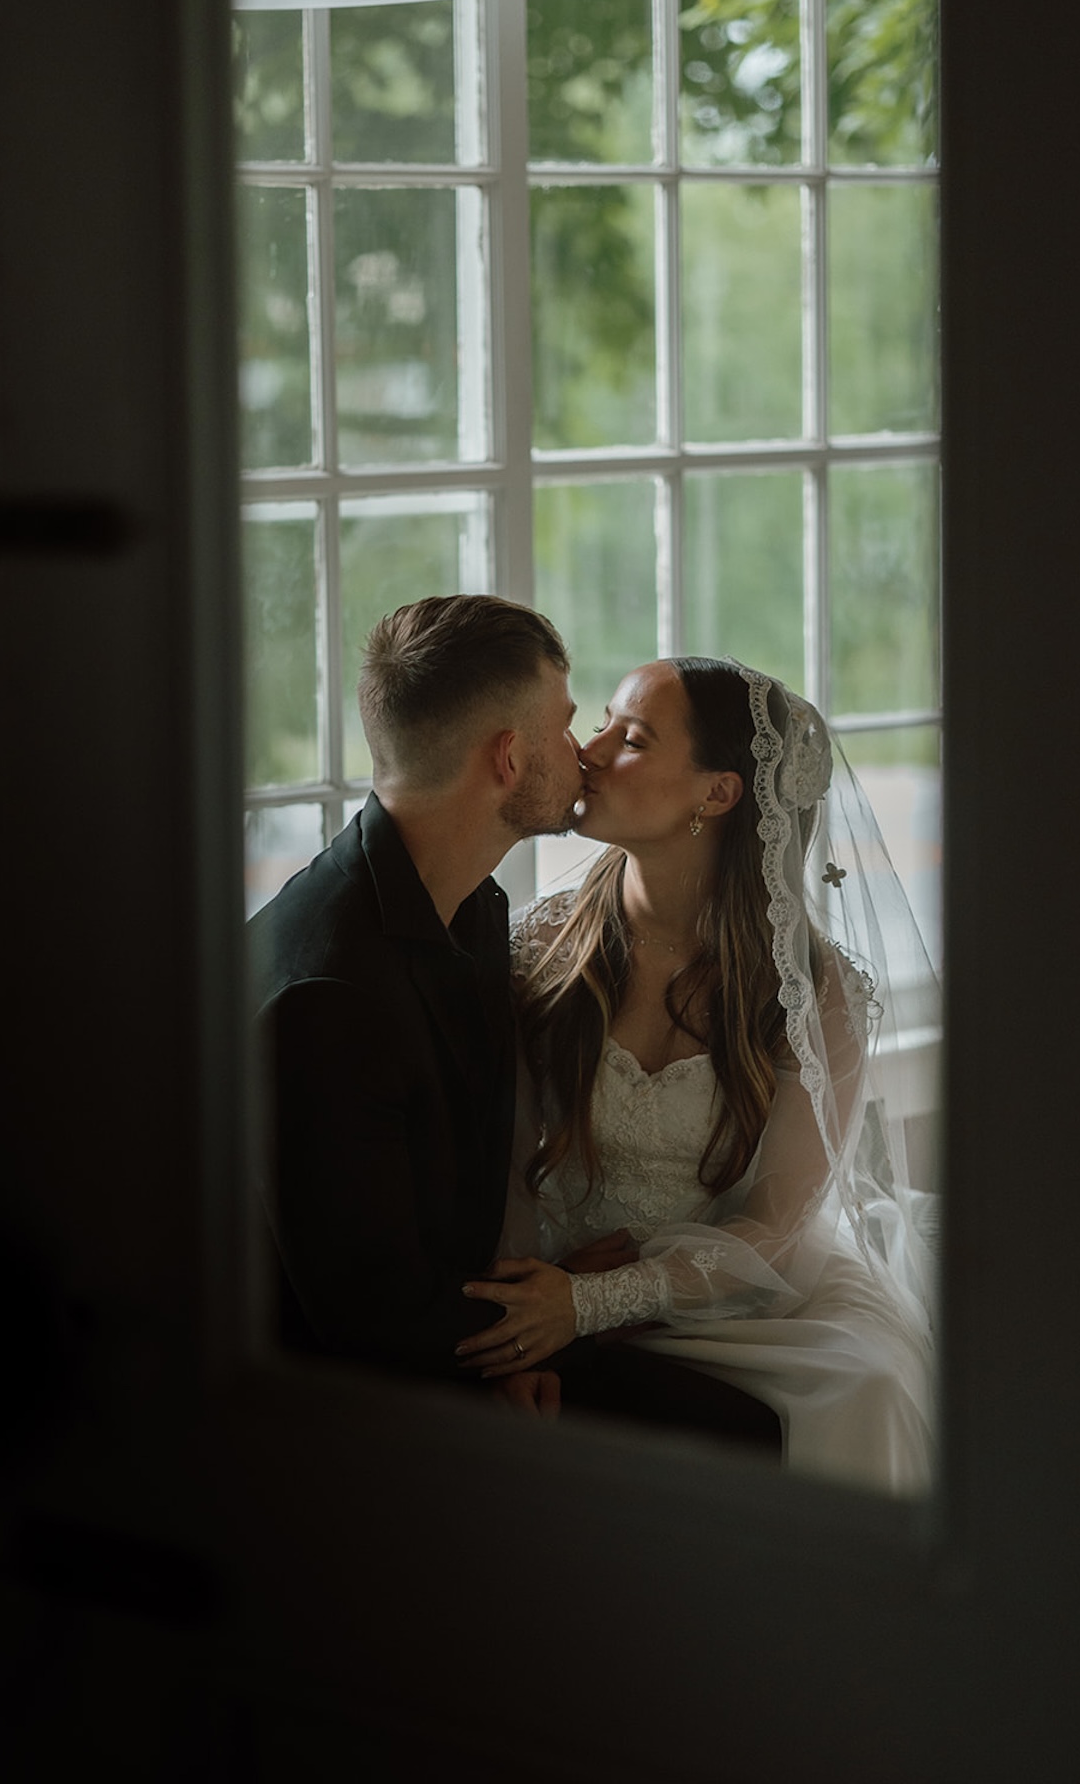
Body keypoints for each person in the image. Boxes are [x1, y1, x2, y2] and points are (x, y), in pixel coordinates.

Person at [455, 656, 939, 1494]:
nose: (590, 750)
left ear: (718, 794)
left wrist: (596, 1304)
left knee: (867, 1386)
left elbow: (780, 1227)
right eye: (601, 720)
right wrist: (536, 1307)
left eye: (632, 737)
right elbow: (498, 1165)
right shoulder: (540, 949)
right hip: (563, 1269)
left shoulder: (818, 998)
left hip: (743, 1296)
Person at [249, 594, 583, 1415]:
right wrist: (565, 1310)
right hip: (339, 1409)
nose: (584, 753)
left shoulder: (473, 902)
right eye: (566, 727)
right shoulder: (328, 998)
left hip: (455, 1339)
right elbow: (371, 1320)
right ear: (509, 758)